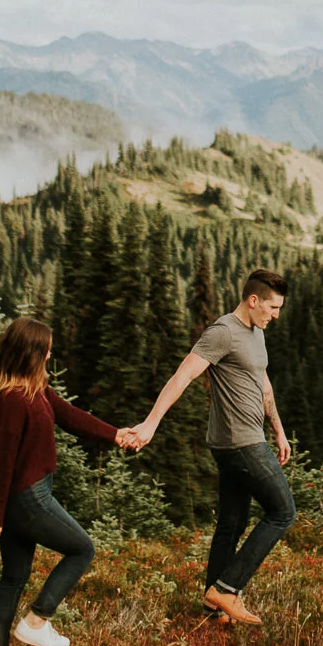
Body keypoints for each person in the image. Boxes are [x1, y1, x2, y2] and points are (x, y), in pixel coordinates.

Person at [123, 267, 292, 625]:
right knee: (282, 511)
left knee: (232, 522)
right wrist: (151, 423)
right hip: (239, 442)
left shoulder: (256, 333)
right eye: (272, 308)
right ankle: (227, 589)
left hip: (246, 438)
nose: (275, 315)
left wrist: (278, 429)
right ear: (253, 300)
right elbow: (183, 375)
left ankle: (213, 609)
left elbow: (263, 382)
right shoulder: (222, 332)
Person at [0, 316, 144, 646]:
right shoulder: (11, 399)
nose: (51, 352)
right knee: (82, 548)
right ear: (31, 352)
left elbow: (70, 416)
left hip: (22, 497)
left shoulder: (35, 390)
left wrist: (115, 434)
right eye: (47, 347)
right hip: (26, 498)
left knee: (14, 576)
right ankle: (37, 621)